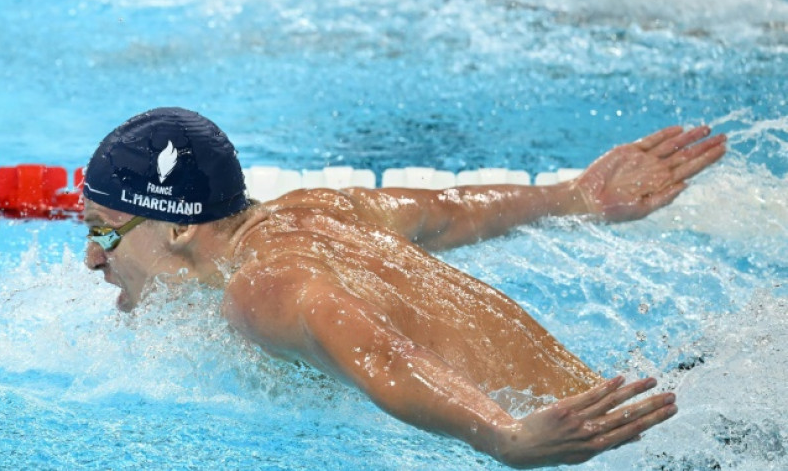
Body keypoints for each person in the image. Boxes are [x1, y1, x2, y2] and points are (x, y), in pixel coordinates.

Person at [81, 107, 727, 468]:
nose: (90, 257)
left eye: (104, 231)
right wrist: (573, 196)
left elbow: (385, 354)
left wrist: (506, 435)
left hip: (593, 445)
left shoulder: (259, 289)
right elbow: (447, 208)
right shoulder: (311, 210)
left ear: (176, 228)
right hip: (633, 407)